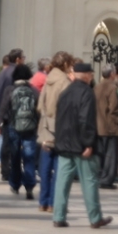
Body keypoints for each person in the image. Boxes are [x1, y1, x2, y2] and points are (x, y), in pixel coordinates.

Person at [51, 62, 111, 229]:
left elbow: (59, 119)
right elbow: (86, 120)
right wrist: (89, 143)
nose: (92, 77)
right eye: (91, 74)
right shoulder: (87, 93)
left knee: (62, 182)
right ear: (85, 76)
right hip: (81, 145)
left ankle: (58, 216)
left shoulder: (64, 93)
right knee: (89, 180)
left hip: (64, 144)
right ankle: (95, 217)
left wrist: (59, 141)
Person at [36, 51, 73, 213]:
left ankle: (43, 201)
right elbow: (67, 107)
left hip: (45, 126)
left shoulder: (48, 79)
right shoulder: (64, 81)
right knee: (60, 167)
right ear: (65, 64)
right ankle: (53, 202)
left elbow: (39, 105)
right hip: (60, 127)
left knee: (45, 167)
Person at [0, 64, 39, 199]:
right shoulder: (33, 90)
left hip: (13, 126)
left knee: (15, 156)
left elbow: (4, 107)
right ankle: (29, 186)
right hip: (30, 127)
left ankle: (15, 184)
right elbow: (38, 109)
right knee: (29, 157)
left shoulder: (10, 90)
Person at [94, 64, 118, 189]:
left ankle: (100, 176)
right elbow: (114, 108)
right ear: (112, 74)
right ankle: (107, 180)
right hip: (110, 126)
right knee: (111, 155)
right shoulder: (112, 88)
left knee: (100, 153)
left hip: (98, 125)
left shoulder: (96, 87)